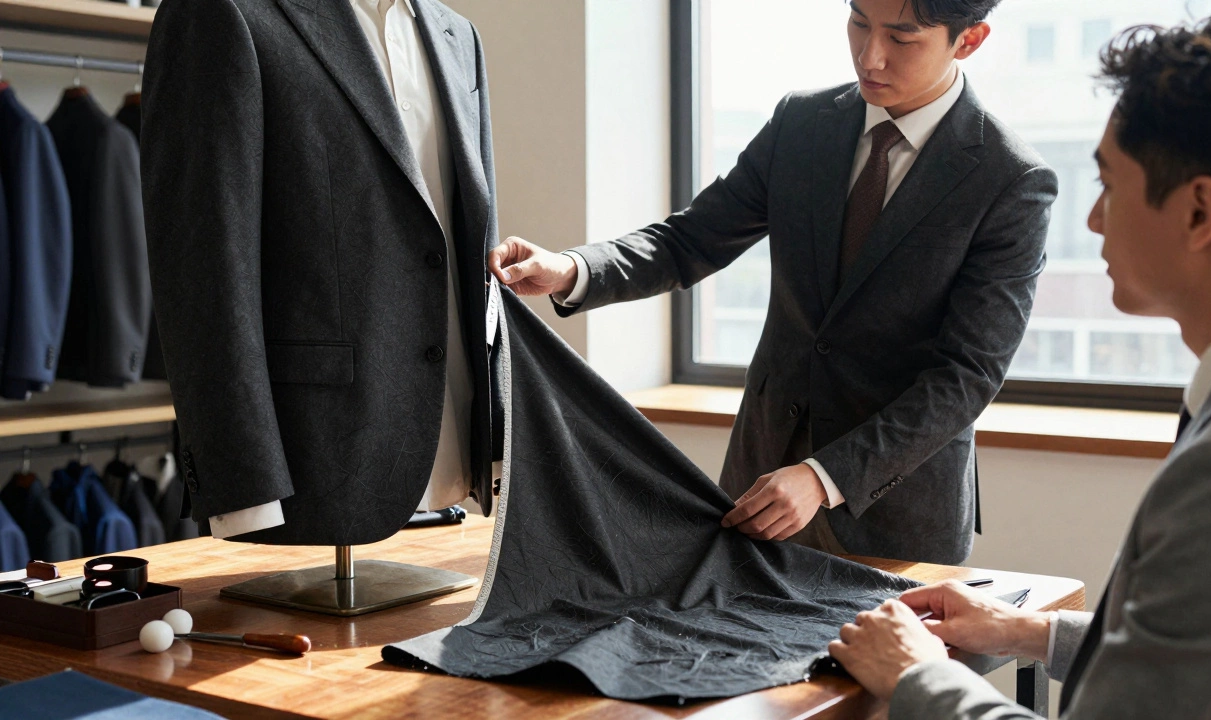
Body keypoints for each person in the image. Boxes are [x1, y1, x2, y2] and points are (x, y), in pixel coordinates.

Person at [489, 0, 1057, 564]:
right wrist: (572, 269)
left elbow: (967, 375)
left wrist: (823, 476)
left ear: (970, 39)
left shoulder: (1010, 179)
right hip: (758, 479)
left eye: (902, 38)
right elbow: (692, 238)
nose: (870, 55)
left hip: (895, 513)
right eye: (858, 22)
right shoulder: (802, 123)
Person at [829, 11, 1211, 718]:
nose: (1095, 219)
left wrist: (918, 675)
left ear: (1200, 212)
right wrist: (1032, 631)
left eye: (1109, 185)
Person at [141, 0, 501, 544]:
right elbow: (204, 270)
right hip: (316, 455)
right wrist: (243, 483)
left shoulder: (458, 35)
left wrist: (493, 436)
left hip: (452, 440)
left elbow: (470, 235)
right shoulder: (220, 13)